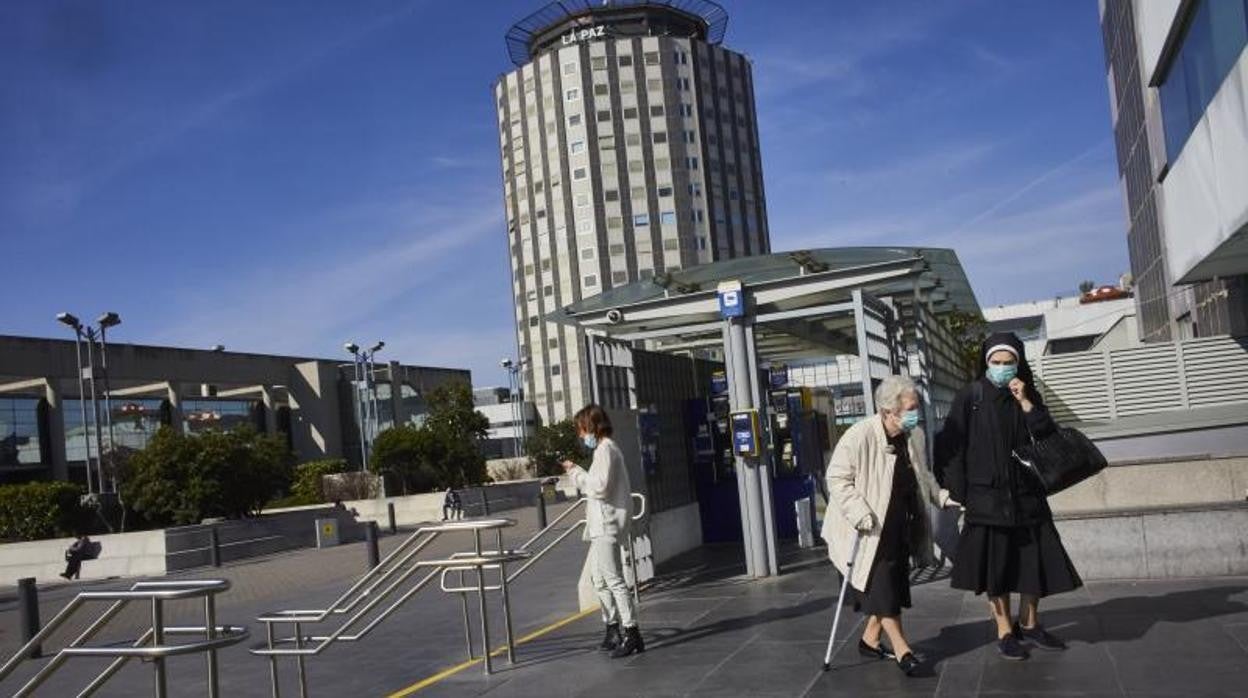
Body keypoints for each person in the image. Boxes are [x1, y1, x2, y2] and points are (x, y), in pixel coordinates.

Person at [935, 332, 1083, 661]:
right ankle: (1004, 630)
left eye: (1009, 362)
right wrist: (958, 492)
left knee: (1034, 562)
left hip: (1027, 494)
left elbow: (1047, 435)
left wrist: (1026, 402)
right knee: (995, 568)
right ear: (986, 363)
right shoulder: (970, 396)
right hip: (986, 498)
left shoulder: (1027, 393)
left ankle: (1030, 623)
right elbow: (950, 446)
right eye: (996, 362)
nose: (1002, 368)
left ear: (1019, 363)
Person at [822, 375, 961, 676]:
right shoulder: (860, 435)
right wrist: (860, 513)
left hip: (900, 525)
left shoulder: (915, 436)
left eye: (915, 407)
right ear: (888, 411)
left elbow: (925, 478)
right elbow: (837, 478)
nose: (915, 413)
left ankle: (870, 640)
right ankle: (903, 650)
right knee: (883, 589)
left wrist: (943, 498)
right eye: (909, 408)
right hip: (866, 529)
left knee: (892, 587)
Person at [561, 404, 643, 658]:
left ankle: (631, 632)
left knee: (614, 579)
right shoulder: (602, 450)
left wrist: (575, 473)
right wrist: (579, 472)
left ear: (592, 426)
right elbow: (599, 485)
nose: (580, 434)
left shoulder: (606, 450)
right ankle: (612, 627)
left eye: (582, 429)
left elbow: (600, 487)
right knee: (599, 578)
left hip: (606, 524)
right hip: (600, 525)